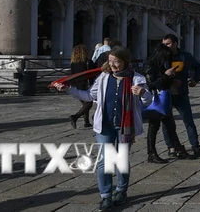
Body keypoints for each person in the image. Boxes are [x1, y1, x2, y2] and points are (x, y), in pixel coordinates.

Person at [53, 47, 152, 211]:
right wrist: (69, 89)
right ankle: (105, 195)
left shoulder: (137, 78)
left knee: (121, 160)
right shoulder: (104, 77)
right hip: (104, 126)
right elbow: (90, 96)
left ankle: (121, 190)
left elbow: (148, 101)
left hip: (125, 126)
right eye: (110, 60)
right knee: (104, 161)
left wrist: (142, 93)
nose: (112, 64)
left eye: (117, 61)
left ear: (125, 62)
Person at [143, 43, 189, 163]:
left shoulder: (161, 65)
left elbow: (162, 81)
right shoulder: (150, 66)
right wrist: (166, 75)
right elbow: (151, 84)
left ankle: (178, 149)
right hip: (155, 101)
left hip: (164, 100)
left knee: (170, 125)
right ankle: (151, 153)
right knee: (154, 127)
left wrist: (173, 80)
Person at [160, 33, 200, 158]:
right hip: (166, 93)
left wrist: (196, 79)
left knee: (188, 120)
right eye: (164, 44)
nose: (165, 46)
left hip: (181, 92)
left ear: (175, 43)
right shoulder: (161, 57)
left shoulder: (185, 56)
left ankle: (195, 145)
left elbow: (198, 67)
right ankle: (171, 146)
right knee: (166, 122)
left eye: (167, 44)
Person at [68, 44, 95, 129]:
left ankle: (86, 122)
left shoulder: (73, 63)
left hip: (75, 85)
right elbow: (91, 74)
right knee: (88, 104)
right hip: (84, 84)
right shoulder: (88, 62)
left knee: (85, 104)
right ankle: (75, 117)